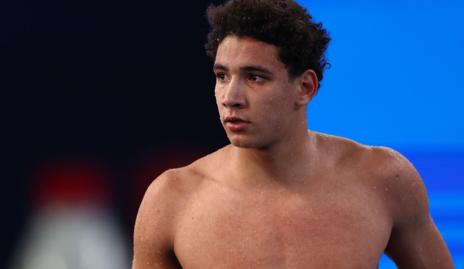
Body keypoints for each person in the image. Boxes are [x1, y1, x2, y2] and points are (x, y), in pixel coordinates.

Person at [132, 0, 454, 268]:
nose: (231, 97)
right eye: (221, 76)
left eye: (255, 77)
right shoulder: (172, 199)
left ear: (305, 87)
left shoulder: (384, 179)